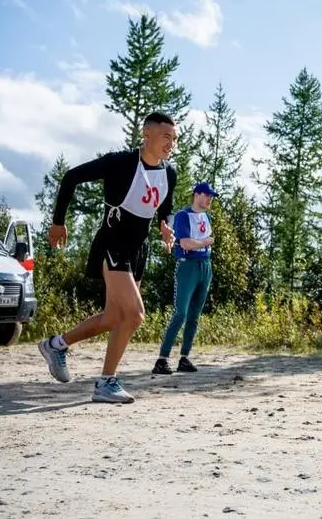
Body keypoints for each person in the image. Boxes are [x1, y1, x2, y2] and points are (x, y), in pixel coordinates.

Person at [39, 111, 178, 404]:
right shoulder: (120, 163)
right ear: (147, 134)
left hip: (140, 249)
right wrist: (58, 222)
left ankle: (56, 345)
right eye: (166, 137)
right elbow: (71, 177)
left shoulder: (169, 173)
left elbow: (166, 204)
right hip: (113, 242)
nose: (171, 144)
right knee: (136, 315)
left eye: (174, 139)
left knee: (115, 317)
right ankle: (106, 382)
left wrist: (166, 224)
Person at [152, 181, 217, 375]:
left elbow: (201, 242)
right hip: (187, 266)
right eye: (206, 195)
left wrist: (202, 244)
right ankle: (162, 359)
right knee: (180, 312)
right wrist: (204, 242)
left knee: (194, 314)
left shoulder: (206, 216)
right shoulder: (183, 216)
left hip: (205, 265)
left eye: (210, 196)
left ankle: (184, 357)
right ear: (196, 195)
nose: (209, 199)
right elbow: (186, 243)